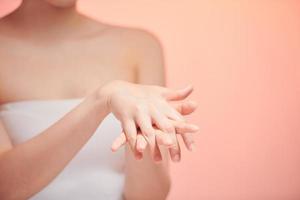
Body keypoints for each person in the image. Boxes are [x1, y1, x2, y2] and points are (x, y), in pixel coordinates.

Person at [0, 0, 199, 199]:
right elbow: (5, 187)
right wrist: (100, 101)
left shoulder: (140, 46)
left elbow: (149, 196)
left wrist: (143, 131)